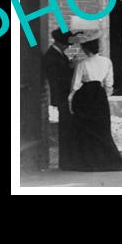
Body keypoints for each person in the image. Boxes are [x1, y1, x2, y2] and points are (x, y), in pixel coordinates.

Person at [67, 38, 122, 172]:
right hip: (100, 95)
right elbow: (109, 83)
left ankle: (89, 163)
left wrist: (71, 101)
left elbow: (75, 85)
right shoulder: (107, 62)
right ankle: (110, 162)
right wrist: (104, 97)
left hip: (85, 96)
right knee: (102, 129)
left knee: (87, 129)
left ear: (86, 49)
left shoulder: (83, 63)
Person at [41, 28, 74, 169]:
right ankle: (66, 162)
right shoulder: (52, 56)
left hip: (64, 96)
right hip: (62, 96)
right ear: (60, 43)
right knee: (65, 128)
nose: (68, 46)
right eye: (66, 43)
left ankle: (67, 160)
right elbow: (58, 79)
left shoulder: (58, 54)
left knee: (67, 127)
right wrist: (71, 69)